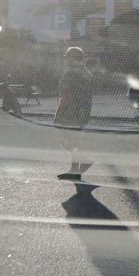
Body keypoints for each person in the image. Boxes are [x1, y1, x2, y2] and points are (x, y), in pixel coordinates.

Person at [54, 46, 94, 180]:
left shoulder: (70, 73)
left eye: (66, 56)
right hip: (83, 110)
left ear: (72, 58)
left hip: (70, 111)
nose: (65, 59)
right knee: (74, 139)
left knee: (63, 138)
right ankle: (74, 170)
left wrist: (58, 114)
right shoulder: (86, 72)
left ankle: (83, 160)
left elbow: (66, 95)